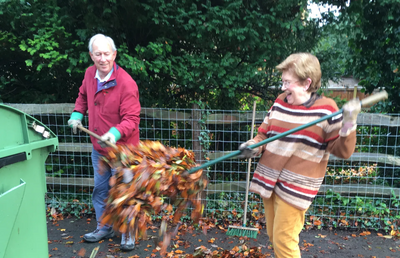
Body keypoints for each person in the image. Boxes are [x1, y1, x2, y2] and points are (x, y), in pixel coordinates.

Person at [239, 53, 360, 258]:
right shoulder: (280, 102)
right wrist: (253, 146)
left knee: (284, 241)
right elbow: (264, 134)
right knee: (273, 236)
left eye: (288, 82)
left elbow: (343, 151)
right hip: (270, 180)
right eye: (282, 81)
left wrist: (348, 122)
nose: (283, 87)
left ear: (306, 83)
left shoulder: (326, 109)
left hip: (296, 185)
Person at [67, 34, 141, 251]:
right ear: (91, 56)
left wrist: (115, 133)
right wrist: (77, 114)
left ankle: (128, 233)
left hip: (123, 151)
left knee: (124, 192)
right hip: (99, 150)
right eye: (98, 54)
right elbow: (82, 97)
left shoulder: (126, 83)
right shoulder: (90, 74)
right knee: (100, 191)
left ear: (114, 54)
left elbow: (132, 119)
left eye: (106, 53)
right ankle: (104, 227)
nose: (103, 58)